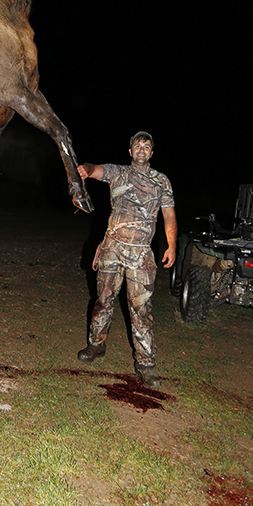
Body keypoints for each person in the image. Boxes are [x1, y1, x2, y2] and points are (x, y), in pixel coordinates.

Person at [76, 131, 177, 390]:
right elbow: (94, 169)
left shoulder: (161, 180)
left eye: (146, 146)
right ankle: (96, 345)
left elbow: (168, 215)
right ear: (130, 151)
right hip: (112, 247)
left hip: (141, 254)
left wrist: (172, 245)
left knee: (140, 309)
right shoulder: (117, 172)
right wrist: (84, 170)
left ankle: (146, 363)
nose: (141, 149)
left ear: (151, 153)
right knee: (103, 300)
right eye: (137, 145)